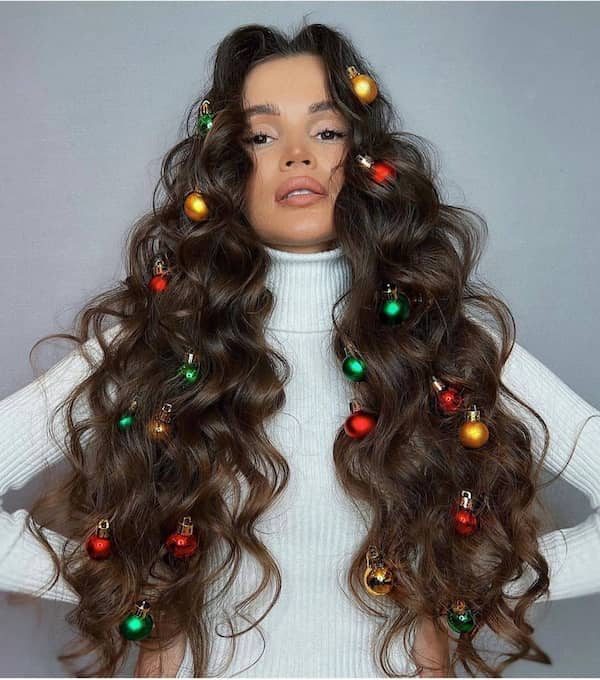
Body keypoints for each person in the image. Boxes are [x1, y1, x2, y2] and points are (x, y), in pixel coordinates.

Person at [1, 20, 599, 679]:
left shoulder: (445, 343)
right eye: (262, 135)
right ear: (227, 166)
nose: (296, 155)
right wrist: (130, 581)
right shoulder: (160, 341)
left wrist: (469, 581)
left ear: (366, 159)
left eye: (326, 130)